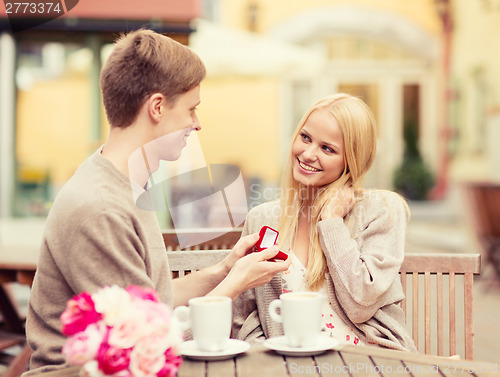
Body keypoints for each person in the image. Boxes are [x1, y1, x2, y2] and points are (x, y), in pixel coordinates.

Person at [25, 29, 290, 374]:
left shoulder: (124, 184)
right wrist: (237, 283)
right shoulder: (101, 208)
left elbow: (153, 302)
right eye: (191, 109)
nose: (197, 124)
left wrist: (224, 270)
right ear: (157, 107)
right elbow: (148, 343)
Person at [232, 93, 417, 352]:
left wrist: (332, 222)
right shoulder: (263, 219)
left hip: (367, 359)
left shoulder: (382, 210)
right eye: (305, 137)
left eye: (327, 148)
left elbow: (361, 301)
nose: (307, 154)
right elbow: (245, 315)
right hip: (290, 362)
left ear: (351, 160)